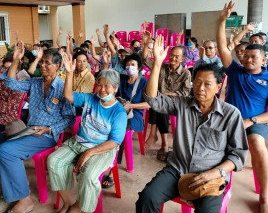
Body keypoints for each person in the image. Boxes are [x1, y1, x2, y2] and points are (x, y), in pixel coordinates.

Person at [135, 35, 248, 213]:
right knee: (147, 199)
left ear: (219, 87)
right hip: (177, 169)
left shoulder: (231, 114)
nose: (201, 88)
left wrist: (216, 172)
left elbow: (238, 154)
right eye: (197, 82)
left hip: (209, 175)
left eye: (208, 84)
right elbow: (153, 100)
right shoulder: (182, 103)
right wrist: (157, 63)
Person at [0, 44, 75, 213]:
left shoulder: (63, 89)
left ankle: (25, 200)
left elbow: (70, 118)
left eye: (47, 63)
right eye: (42, 63)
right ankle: (14, 185)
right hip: (28, 130)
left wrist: (48, 129)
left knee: (6, 150)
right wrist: (16, 60)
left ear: (58, 66)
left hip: (46, 135)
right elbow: (9, 82)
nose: (43, 66)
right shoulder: (35, 83)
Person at [47, 58, 127, 213]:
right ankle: (68, 202)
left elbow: (114, 142)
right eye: (100, 85)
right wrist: (69, 73)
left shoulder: (119, 113)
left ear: (116, 88)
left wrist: (89, 153)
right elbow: (68, 96)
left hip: (102, 149)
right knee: (54, 161)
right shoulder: (90, 98)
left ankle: (80, 207)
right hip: (78, 142)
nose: (102, 89)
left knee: (88, 176)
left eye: (107, 86)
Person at [217, 1, 268, 213]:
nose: (247, 59)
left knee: (256, 142)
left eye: (253, 56)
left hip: (255, 123)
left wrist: (251, 121)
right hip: (229, 122)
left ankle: (265, 194)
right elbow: (222, 46)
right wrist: (222, 20)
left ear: (264, 59)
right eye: (245, 55)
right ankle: (214, 188)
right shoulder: (236, 72)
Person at [102, 53, 150, 188]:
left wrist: (130, 106)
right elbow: (105, 81)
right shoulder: (121, 79)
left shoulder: (144, 83)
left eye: (133, 65)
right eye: (128, 65)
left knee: (119, 130)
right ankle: (101, 156)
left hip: (134, 116)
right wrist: (106, 64)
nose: (130, 67)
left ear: (139, 67)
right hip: (117, 112)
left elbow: (149, 104)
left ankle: (113, 168)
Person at [142, 33, 191, 161]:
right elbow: (145, 59)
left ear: (182, 59)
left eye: (177, 56)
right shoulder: (162, 67)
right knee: (156, 101)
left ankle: (160, 139)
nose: (173, 58)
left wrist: (166, 95)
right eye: (171, 55)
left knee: (161, 103)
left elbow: (185, 93)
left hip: (176, 102)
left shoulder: (185, 73)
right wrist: (147, 45)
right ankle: (159, 138)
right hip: (160, 100)